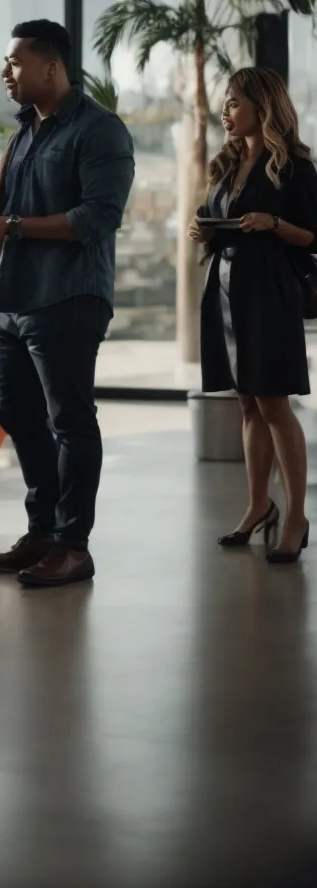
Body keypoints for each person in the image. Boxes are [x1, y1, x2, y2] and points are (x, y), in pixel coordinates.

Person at [0, 19, 135, 589]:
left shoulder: (99, 131)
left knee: (70, 422)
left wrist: (7, 225)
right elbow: (6, 214)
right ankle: (41, 531)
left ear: (51, 66)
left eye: (15, 62)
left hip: (68, 296)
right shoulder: (22, 134)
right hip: (9, 299)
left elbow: (97, 219)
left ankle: (73, 544)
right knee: (16, 417)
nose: (6, 72)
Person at [190, 67, 315, 564]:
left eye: (235, 102)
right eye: (225, 102)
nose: (226, 111)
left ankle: (298, 515)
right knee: (247, 404)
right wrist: (206, 231)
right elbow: (219, 222)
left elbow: (314, 235)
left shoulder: (295, 167)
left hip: (269, 291)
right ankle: (258, 505)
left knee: (274, 405)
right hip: (224, 290)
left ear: (262, 108)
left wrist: (275, 223)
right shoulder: (227, 163)